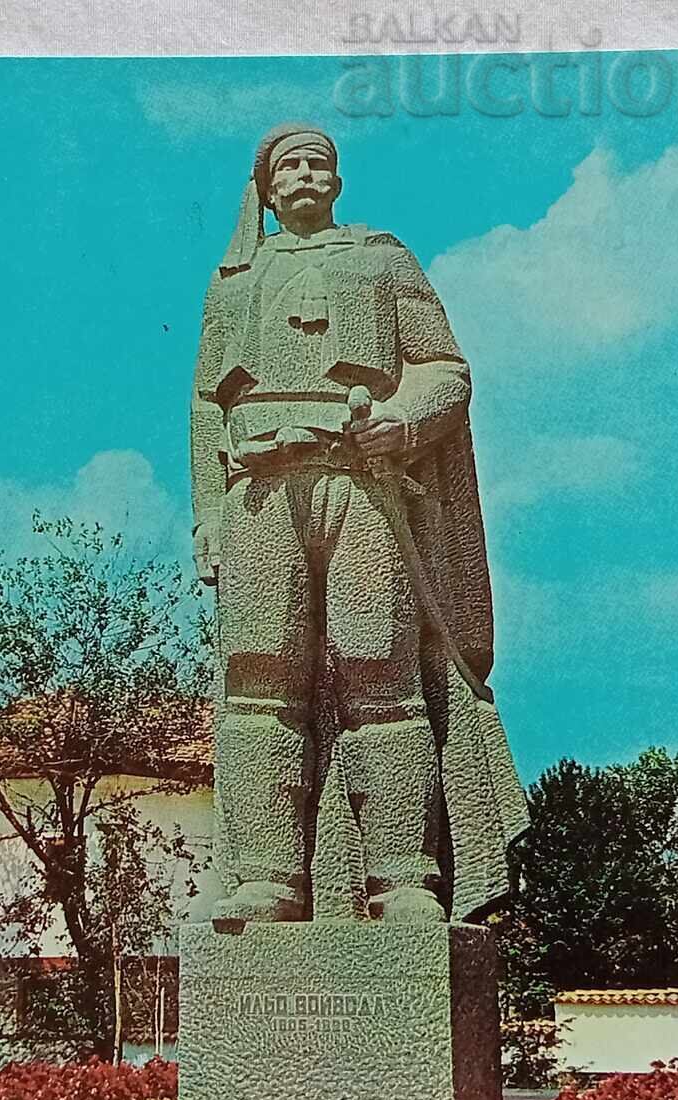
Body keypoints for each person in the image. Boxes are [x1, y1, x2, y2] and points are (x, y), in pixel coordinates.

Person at [192, 123, 527, 924]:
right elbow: (207, 404)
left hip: (362, 484)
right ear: (266, 189)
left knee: (380, 670)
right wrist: (206, 514)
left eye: (320, 163)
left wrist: (403, 421)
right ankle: (267, 876)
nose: (306, 174)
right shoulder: (234, 281)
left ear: (337, 182)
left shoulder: (382, 259)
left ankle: (403, 878)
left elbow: (444, 369)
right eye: (290, 165)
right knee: (258, 678)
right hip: (260, 490)